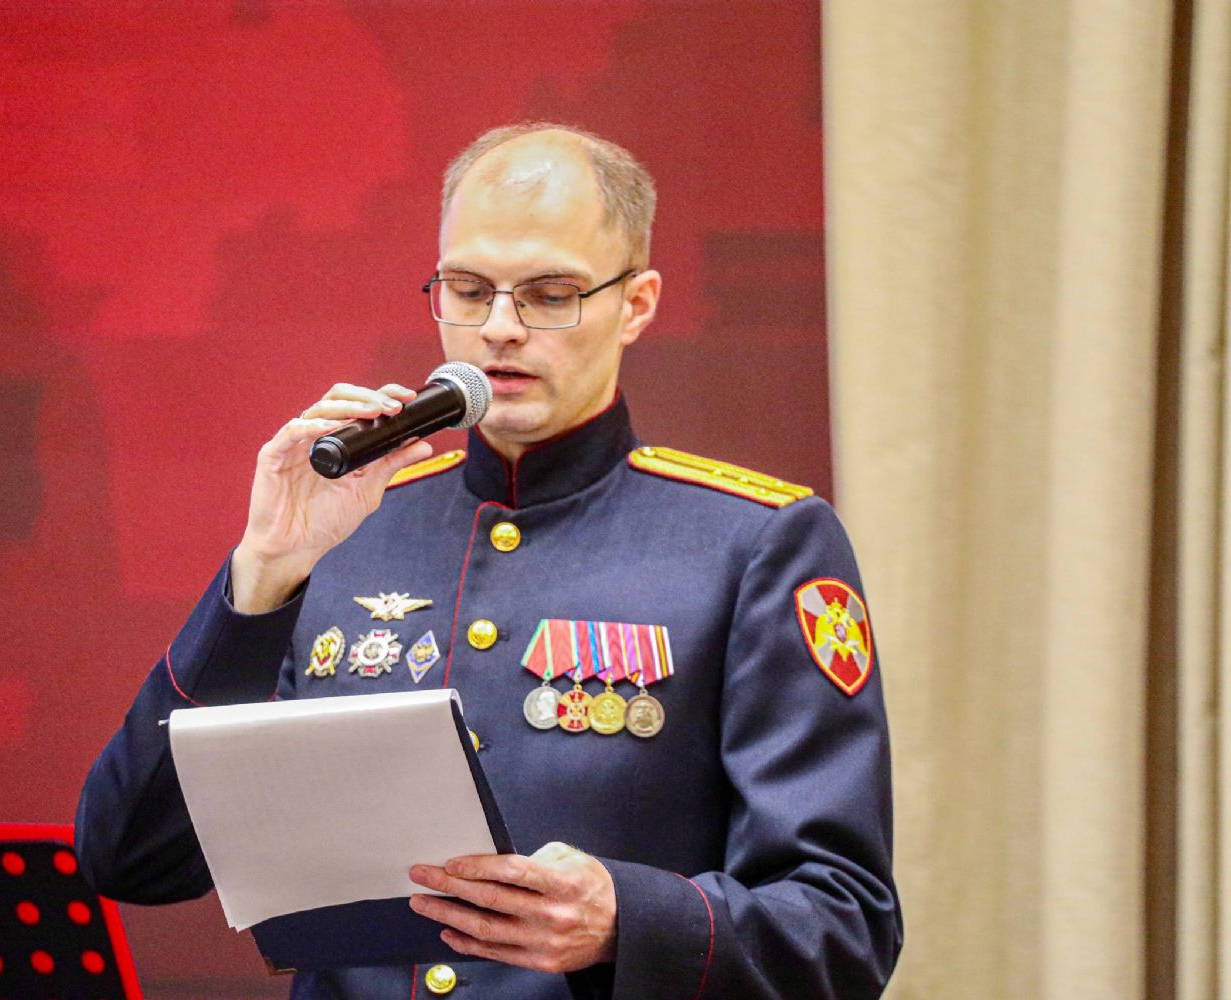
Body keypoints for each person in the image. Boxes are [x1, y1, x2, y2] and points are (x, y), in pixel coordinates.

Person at [75, 123, 901, 999]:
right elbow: (133, 858)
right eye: (468, 291)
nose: (499, 329)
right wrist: (262, 575)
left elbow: (844, 927)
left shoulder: (751, 543)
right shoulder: (347, 521)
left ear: (636, 303)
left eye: (550, 294)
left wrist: (626, 921)